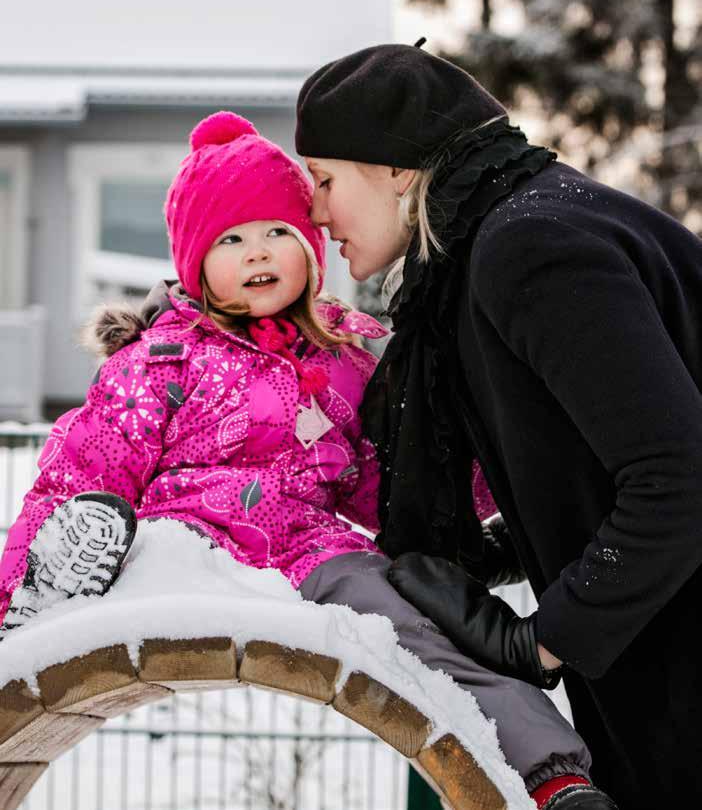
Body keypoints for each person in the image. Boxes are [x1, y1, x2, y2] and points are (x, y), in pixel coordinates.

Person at [0, 111, 608, 808]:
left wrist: (483, 479)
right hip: (173, 549)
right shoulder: (160, 360)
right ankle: (44, 596)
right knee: (95, 537)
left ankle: (551, 776)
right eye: (231, 239)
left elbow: (388, 481)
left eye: (278, 233)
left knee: (417, 630)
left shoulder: (345, 358)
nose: (258, 253)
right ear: (194, 262)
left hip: (310, 550)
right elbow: (78, 475)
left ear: (311, 248)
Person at [295, 41, 702, 809]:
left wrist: (545, 639)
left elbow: (678, 476)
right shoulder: (517, 230)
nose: (314, 212)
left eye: (323, 180)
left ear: (394, 167)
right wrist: (497, 552)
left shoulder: (531, 246)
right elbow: (609, 455)